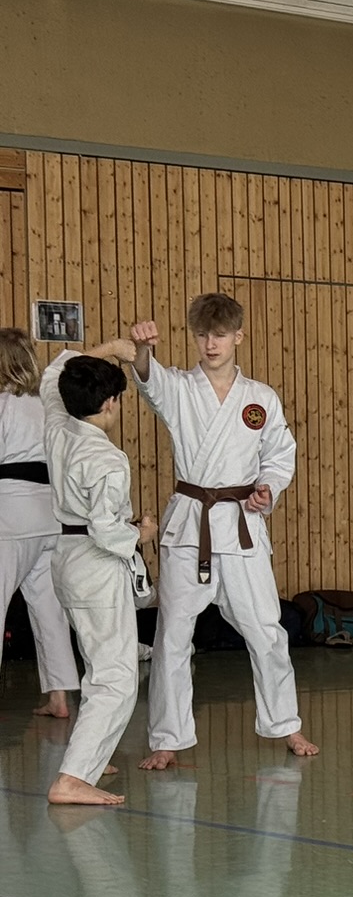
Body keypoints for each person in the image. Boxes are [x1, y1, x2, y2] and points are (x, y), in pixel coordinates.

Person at [129, 299, 314, 769]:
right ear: (194, 337)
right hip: (191, 525)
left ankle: (285, 723)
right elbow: (149, 381)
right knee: (173, 636)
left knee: (267, 630)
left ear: (238, 337)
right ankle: (168, 737)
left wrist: (267, 489)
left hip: (241, 526)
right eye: (202, 335)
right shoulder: (179, 387)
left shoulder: (260, 398)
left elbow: (280, 455)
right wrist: (143, 350)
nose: (210, 344)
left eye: (220, 335)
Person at [40, 342, 153, 806]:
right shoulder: (107, 459)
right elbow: (107, 530)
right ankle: (72, 779)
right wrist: (142, 534)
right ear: (109, 403)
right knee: (116, 676)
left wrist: (109, 350)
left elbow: (53, 376)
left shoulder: (57, 426)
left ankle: (90, 755)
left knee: (97, 664)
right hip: (95, 564)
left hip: (66, 557)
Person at [0, 328, 82, 718]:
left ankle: (59, 697)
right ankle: (59, 697)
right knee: (49, 610)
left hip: (9, 517)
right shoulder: (48, 404)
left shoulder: (2, 405)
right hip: (50, 515)